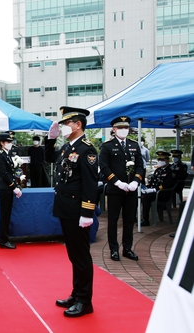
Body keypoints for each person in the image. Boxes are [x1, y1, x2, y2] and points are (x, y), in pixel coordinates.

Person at [45, 106, 98, 318]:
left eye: (67, 123)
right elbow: (50, 158)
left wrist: (87, 213)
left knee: (81, 257)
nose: (64, 127)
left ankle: (85, 302)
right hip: (66, 209)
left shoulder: (87, 149)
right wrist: (51, 139)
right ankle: (76, 294)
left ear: (78, 125)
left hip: (78, 211)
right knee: (74, 255)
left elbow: (90, 184)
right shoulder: (68, 147)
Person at [99, 116, 144, 262]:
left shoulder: (134, 145)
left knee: (129, 219)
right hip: (115, 189)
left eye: (126, 128)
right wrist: (117, 182)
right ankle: (113, 249)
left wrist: (136, 181)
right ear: (114, 129)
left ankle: (127, 248)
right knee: (113, 219)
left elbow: (140, 166)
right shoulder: (107, 146)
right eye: (120, 128)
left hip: (130, 189)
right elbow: (104, 167)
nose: (124, 130)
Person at [0, 132, 23, 249]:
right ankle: (3, 240)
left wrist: (16, 185)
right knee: (5, 215)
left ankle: (5, 239)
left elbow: (11, 172)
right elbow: (4, 174)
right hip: (5, 188)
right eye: (8, 142)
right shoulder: (0, 155)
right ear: (2, 143)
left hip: (8, 188)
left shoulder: (7, 154)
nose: (10, 144)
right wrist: (14, 187)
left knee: (7, 214)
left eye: (11, 142)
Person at [141, 151, 176, 226]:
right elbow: (153, 181)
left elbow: (168, 185)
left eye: (162, 160)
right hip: (155, 191)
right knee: (139, 194)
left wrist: (155, 189)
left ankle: (146, 219)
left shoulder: (170, 171)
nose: (160, 161)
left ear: (167, 160)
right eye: (159, 159)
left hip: (163, 193)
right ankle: (134, 217)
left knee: (146, 197)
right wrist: (147, 187)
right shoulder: (158, 170)